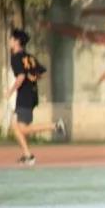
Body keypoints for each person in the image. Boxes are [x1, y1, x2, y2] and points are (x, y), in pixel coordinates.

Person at [5, 28, 65, 165]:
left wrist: (10, 91)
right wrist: (33, 78)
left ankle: (56, 126)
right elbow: (41, 73)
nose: (9, 41)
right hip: (31, 94)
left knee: (22, 129)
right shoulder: (29, 57)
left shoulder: (16, 57)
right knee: (16, 127)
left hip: (25, 96)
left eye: (11, 39)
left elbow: (21, 77)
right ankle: (27, 156)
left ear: (17, 41)